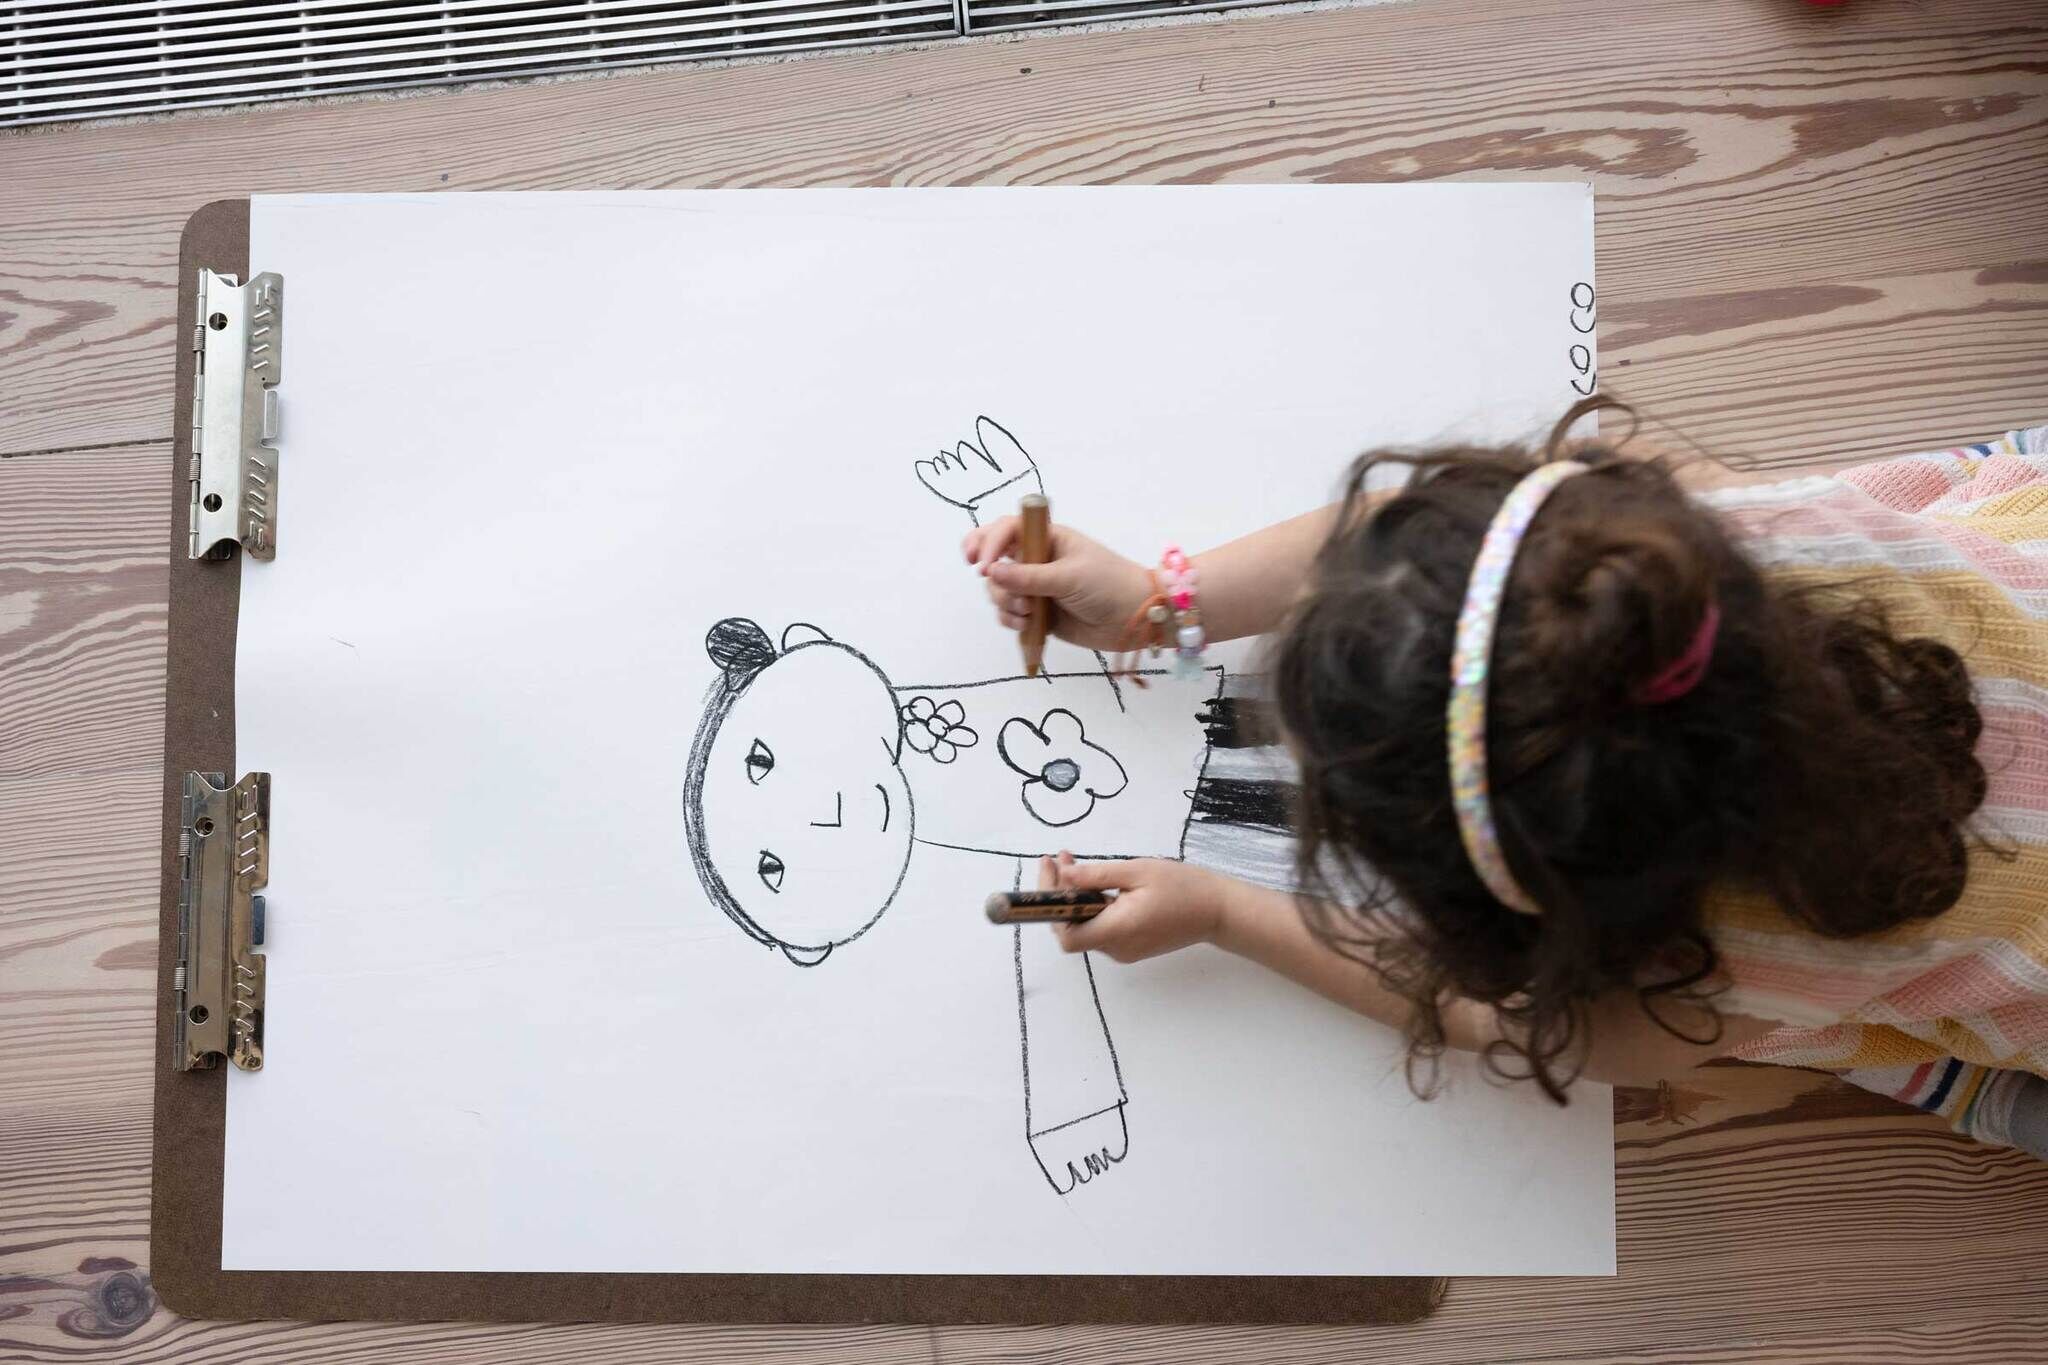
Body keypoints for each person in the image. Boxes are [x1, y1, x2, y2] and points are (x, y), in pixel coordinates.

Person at [964, 399, 2048, 1160]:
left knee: (1845, 1060)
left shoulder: (1703, 982)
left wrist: (1225, 908)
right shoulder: (1687, 546)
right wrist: (1164, 601)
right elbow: (1432, 546)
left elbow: (1502, 1019)